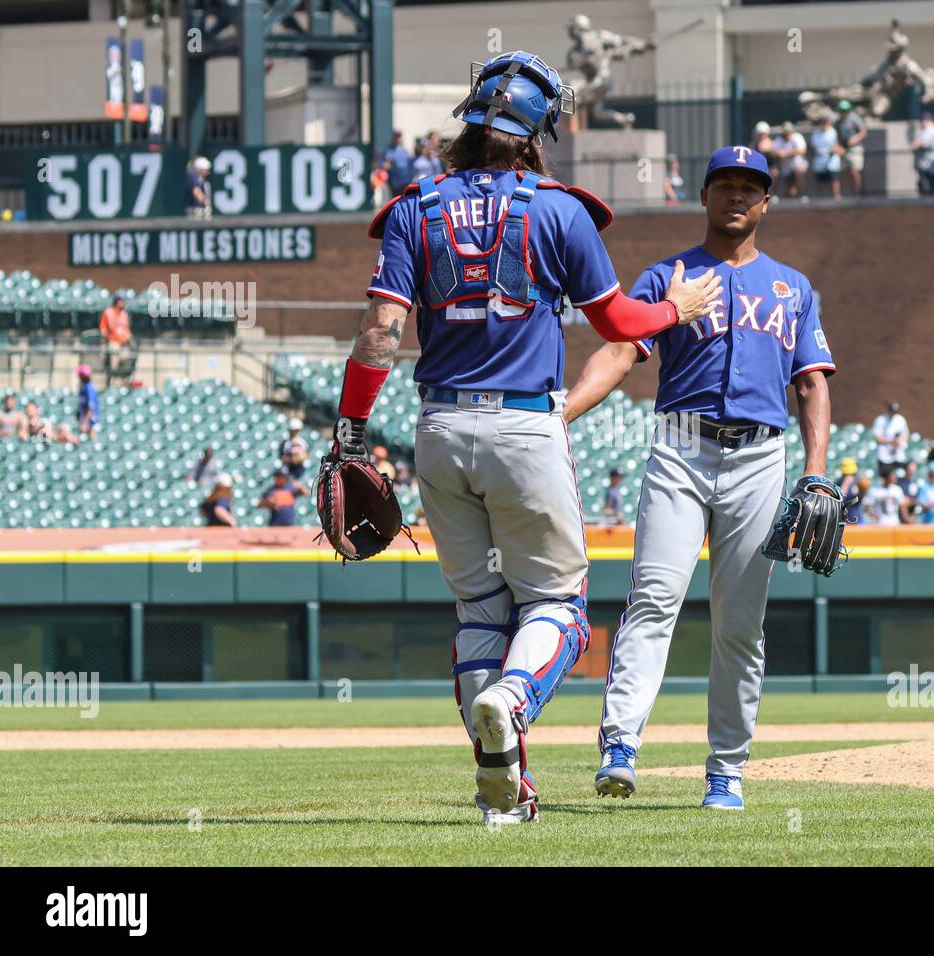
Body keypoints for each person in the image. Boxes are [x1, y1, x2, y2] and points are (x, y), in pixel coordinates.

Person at [343, 51, 720, 827]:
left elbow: (381, 330)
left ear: (470, 120)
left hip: (439, 427)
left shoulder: (414, 206)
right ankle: (512, 702)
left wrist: (351, 434)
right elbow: (619, 325)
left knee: (482, 610)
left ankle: (508, 792)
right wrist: (675, 308)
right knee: (559, 604)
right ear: (538, 129)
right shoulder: (561, 210)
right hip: (524, 425)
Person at [564, 144, 835, 812]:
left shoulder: (793, 288)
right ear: (705, 196)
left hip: (759, 459)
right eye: (726, 185)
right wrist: (560, 414)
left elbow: (813, 385)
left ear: (767, 202)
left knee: (740, 623)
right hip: (681, 449)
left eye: (751, 187)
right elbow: (623, 347)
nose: (737, 195)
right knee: (654, 598)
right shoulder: (669, 276)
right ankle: (620, 748)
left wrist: (819, 474)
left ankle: (726, 771)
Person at [809, 114, 842, 200]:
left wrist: (832, 150)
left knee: (834, 178)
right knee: (820, 179)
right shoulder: (816, 133)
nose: (824, 124)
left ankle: (836, 196)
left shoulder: (833, 132)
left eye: (825, 122)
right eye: (822, 122)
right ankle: (820, 197)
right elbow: (814, 146)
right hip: (820, 159)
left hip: (832, 159)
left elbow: (837, 145)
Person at [871, 400, 908, 477]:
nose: (893, 413)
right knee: (885, 477)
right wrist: (891, 442)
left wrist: (899, 442)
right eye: (892, 411)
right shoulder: (880, 420)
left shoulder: (900, 419)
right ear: (888, 410)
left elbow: (905, 434)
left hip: (898, 455)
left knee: (899, 476)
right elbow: (877, 438)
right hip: (884, 455)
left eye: (895, 411)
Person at [772, 121, 808, 199]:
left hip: (798, 165)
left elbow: (802, 150)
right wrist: (780, 153)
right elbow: (774, 151)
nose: (787, 133)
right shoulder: (779, 139)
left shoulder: (797, 137)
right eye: (786, 132)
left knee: (799, 170)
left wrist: (786, 153)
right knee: (775, 172)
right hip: (785, 167)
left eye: (789, 131)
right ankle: (774, 196)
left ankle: (803, 195)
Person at [837, 101, 866, 195]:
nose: (843, 112)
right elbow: (838, 135)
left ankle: (858, 192)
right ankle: (847, 192)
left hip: (855, 148)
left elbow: (863, 132)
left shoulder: (854, 118)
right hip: (844, 149)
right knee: (844, 171)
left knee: (854, 170)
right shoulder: (839, 121)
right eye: (841, 110)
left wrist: (854, 139)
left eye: (845, 110)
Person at [911, 112, 934, 196]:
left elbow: (920, 143)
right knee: (932, 187)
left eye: (923, 120)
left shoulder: (929, 130)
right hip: (933, 163)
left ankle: (928, 206)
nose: (921, 122)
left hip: (928, 165)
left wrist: (913, 146)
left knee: (926, 188)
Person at [377, 129, 415, 196]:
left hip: (407, 181)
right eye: (396, 136)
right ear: (392, 137)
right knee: (396, 202)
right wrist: (386, 165)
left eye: (399, 136)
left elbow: (410, 165)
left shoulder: (404, 150)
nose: (398, 138)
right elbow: (381, 165)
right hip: (395, 183)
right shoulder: (387, 150)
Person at [76, 365, 100, 438]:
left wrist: (85, 423)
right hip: (85, 420)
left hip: (91, 422)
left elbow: (91, 408)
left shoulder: (89, 388)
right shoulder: (84, 387)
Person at [839, 458, 863, 524]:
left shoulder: (859, 483)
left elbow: (861, 498)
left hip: (857, 519)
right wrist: (846, 484)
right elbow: (840, 500)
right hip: (843, 521)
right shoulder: (839, 484)